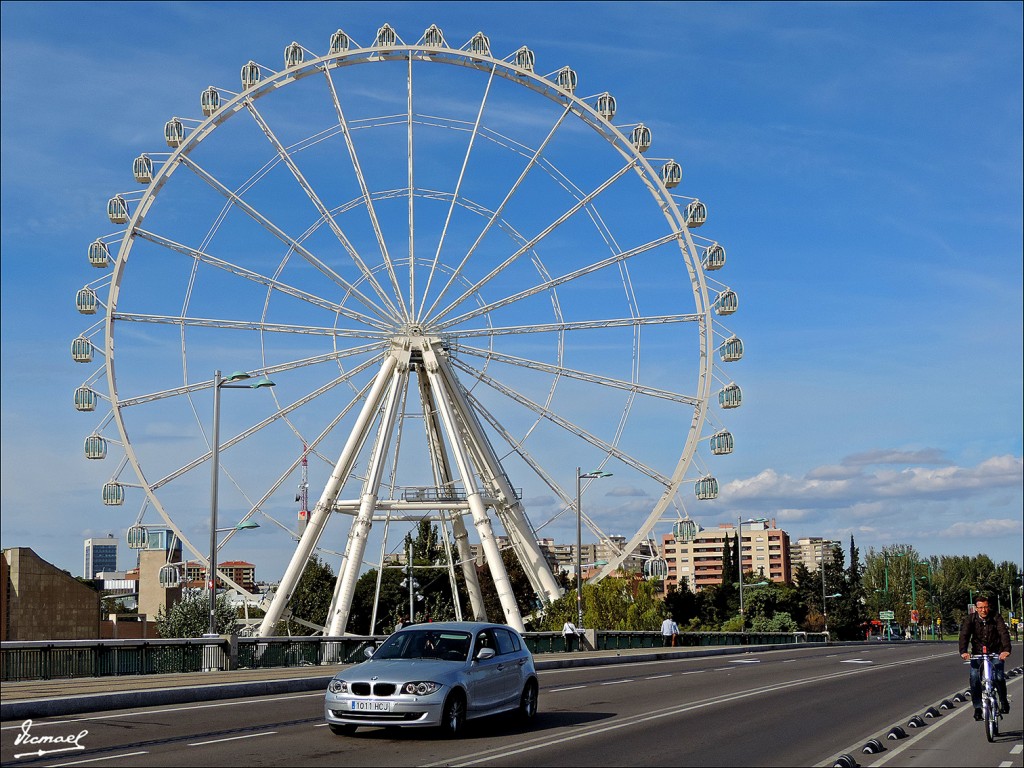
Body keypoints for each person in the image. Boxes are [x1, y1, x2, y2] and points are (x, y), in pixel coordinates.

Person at [959, 594, 1012, 720]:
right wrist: (964, 651)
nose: (984, 610)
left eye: (986, 607)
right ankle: (978, 708)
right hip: (978, 652)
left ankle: (1003, 701)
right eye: (981, 607)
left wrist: (1006, 650)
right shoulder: (971, 619)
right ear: (976, 608)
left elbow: (1003, 633)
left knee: (999, 677)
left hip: (995, 651)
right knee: (974, 678)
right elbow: (964, 635)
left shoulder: (995, 617)